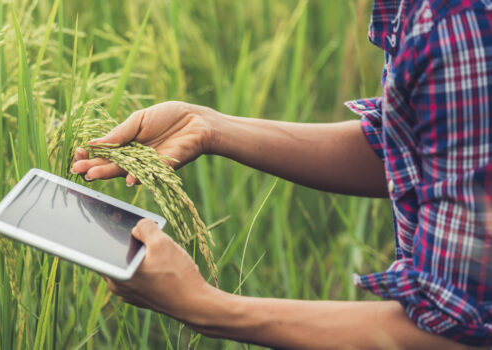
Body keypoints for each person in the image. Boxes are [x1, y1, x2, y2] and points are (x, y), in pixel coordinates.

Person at [71, 0, 492, 348]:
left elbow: (454, 337)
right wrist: (208, 125)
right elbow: (420, 148)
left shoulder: (453, 21)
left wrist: (200, 305)